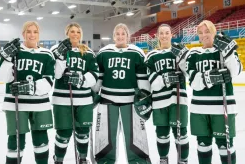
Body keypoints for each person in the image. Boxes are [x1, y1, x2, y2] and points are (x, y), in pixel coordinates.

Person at [179, 20, 242, 164]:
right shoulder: (193, 53)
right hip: (199, 109)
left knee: (224, 145)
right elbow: (194, 82)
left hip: (222, 107)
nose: (204, 35)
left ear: (213, 32)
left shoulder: (223, 50)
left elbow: (235, 71)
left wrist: (229, 51)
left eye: (207, 31)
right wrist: (212, 77)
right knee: (203, 145)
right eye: (200, 33)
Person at [92, 23, 152, 164]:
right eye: (117, 34)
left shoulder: (136, 53)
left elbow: (142, 79)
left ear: (127, 36)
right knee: (106, 137)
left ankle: (138, 160)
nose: (120, 36)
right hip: (107, 101)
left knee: (135, 136)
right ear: (113, 36)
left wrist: (145, 97)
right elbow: (99, 76)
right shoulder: (104, 53)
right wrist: (93, 92)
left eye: (123, 34)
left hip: (131, 102)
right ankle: (105, 160)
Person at [0, 21, 55, 164]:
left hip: (40, 105)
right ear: (23, 34)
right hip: (15, 105)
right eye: (28, 31)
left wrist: (30, 87)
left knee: (41, 140)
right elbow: (3, 77)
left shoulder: (47, 54)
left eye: (35, 32)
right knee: (15, 141)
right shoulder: (14, 52)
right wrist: (7, 58)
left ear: (39, 35)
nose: (32, 34)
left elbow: (49, 82)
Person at [51, 22, 99, 164]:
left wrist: (81, 79)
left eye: (78, 32)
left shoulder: (88, 52)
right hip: (62, 100)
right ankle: (58, 159)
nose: (75, 34)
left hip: (84, 100)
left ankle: (82, 158)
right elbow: (57, 75)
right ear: (67, 33)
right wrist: (60, 57)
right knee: (63, 133)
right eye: (72, 31)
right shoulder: (56, 50)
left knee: (83, 132)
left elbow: (94, 74)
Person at [145, 24, 189, 164]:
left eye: (167, 33)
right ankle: (163, 159)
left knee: (181, 134)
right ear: (157, 36)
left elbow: (188, 73)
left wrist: (181, 58)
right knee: (162, 134)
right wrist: (167, 78)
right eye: (161, 33)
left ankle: (183, 160)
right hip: (159, 102)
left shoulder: (180, 51)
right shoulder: (151, 56)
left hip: (178, 101)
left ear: (171, 35)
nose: (164, 36)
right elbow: (153, 83)